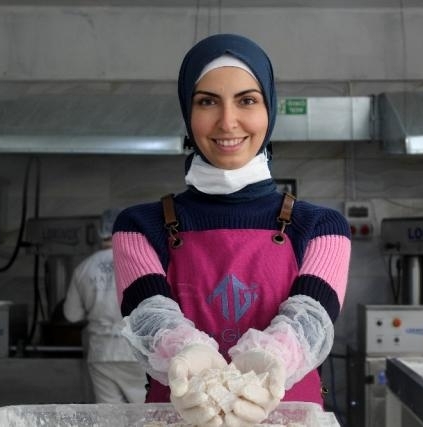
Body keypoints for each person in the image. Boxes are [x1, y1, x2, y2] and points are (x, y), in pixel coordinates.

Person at [113, 33, 351, 425]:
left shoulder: (321, 228)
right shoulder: (139, 227)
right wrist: (188, 358)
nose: (227, 122)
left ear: (269, 109)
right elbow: (151, 318)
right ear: (187, 112)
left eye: (247, 100)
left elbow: (309, 323)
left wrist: (271, 360)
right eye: (207, 101)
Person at [63, 208, 147, 404]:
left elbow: (71, 315)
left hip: (102, 352)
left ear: (100, 232)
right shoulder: (140, 262)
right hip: (136, 350)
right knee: (146, 412)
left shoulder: (84, 268)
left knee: (109, 414)